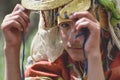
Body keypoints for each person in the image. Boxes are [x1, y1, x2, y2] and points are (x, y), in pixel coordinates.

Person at [1, 0, 120, 80]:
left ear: (105, 29)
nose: (73, 38)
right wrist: (11, 49)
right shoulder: (51, 67)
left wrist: (93, 56)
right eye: (65, 25)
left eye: (83, 27)